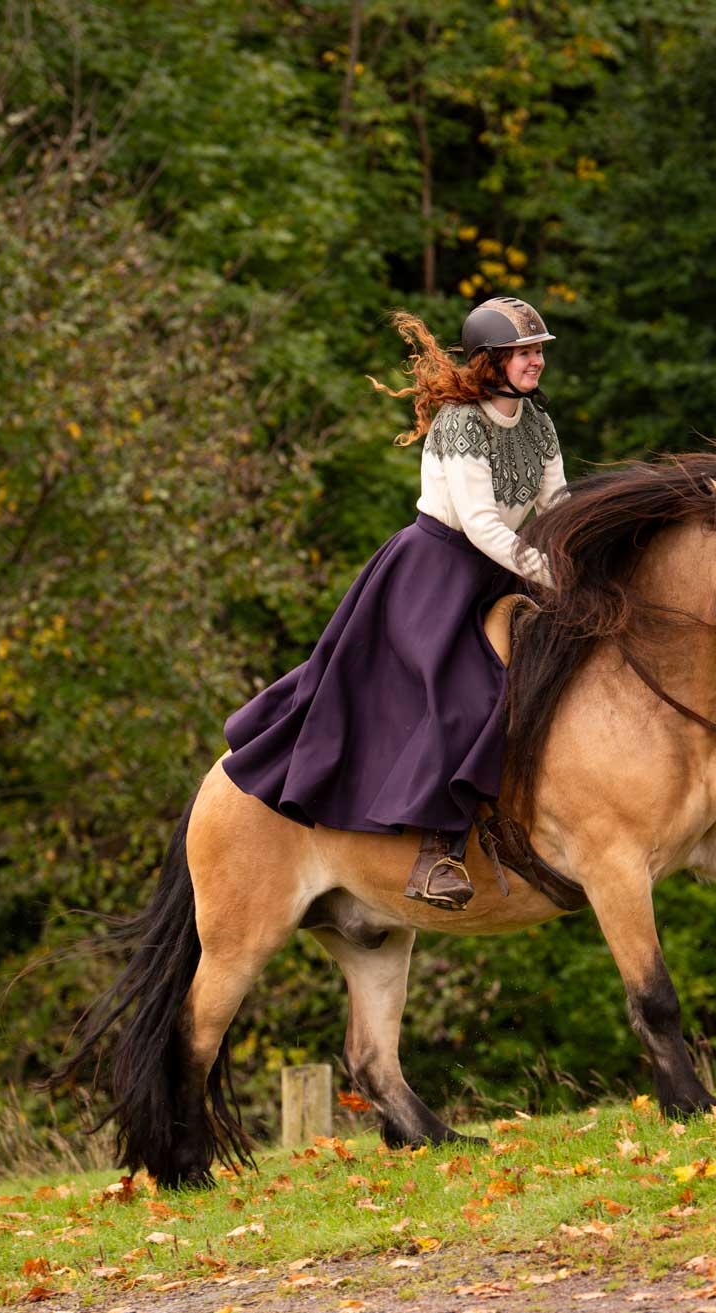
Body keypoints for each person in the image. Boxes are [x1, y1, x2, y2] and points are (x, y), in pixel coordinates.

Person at [221, 297, 568, 910]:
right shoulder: (461, 424)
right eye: (525, 352)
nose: (536, 361)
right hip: (434, 573)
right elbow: (481, 524)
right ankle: (436, 853)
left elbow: (557, 506)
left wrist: (586, 560)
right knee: (465, 696)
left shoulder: (537, 424)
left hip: (504, 572)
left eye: (539, 351)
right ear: (492, 361)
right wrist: (552, 570)